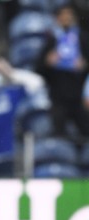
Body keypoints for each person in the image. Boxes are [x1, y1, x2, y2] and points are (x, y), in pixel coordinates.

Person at [36, 4, 89, 141]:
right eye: (63, 15)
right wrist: (48, 63)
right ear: (57, 18)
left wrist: (84, 65)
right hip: (57, 96)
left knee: (85, 132)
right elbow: (39, 69)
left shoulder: (82, 38)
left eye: (69, 14)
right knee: (58, 135)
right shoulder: (51, 40)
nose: (66, 18)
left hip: (79, 96)